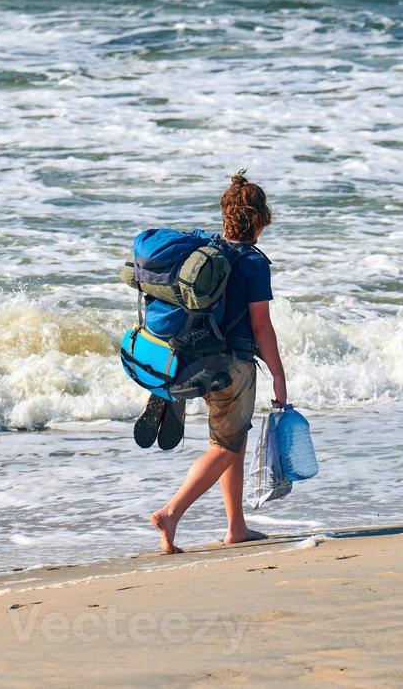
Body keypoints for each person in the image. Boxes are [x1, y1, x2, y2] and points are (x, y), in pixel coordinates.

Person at [149, 172, 288, 554]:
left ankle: (236, 527)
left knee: (230, 441)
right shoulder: (254, 263)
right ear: (260, 220)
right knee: (225, 447)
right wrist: (278, 375)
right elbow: (261, 324)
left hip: (199, 358)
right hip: (236, 366)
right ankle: (171, 513)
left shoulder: (208, 254)